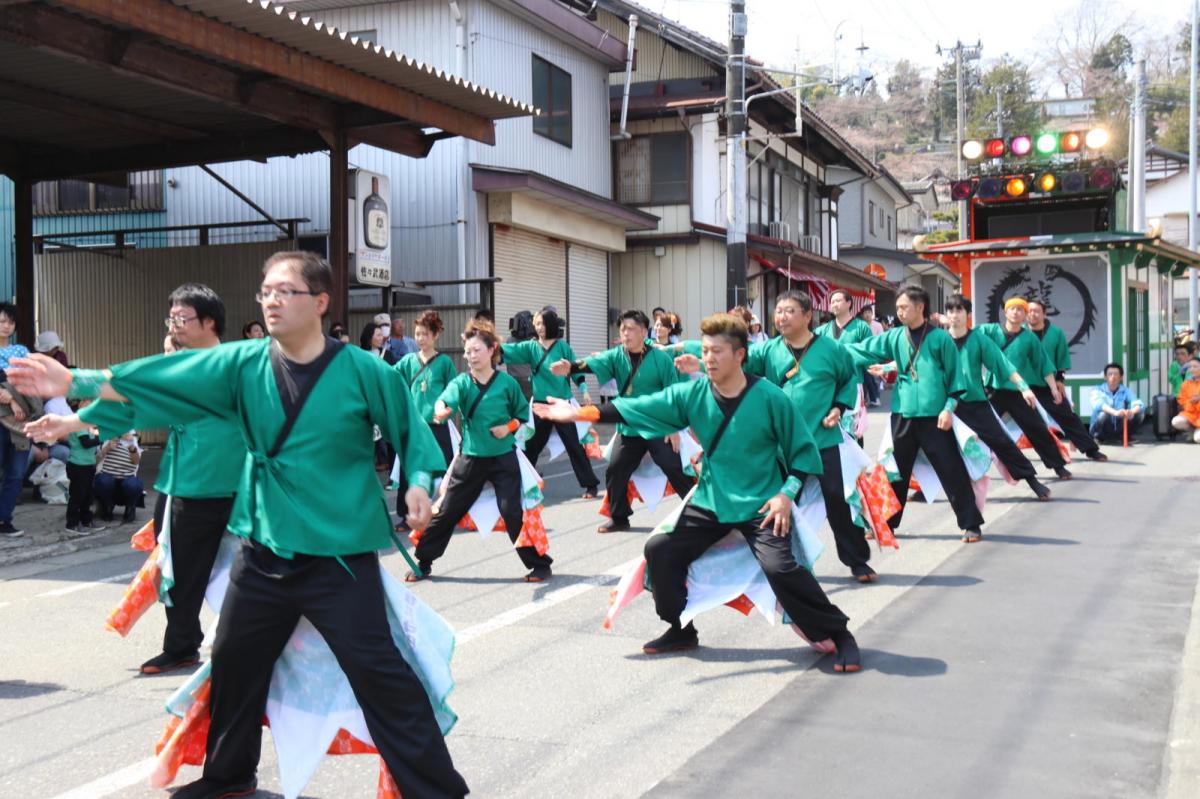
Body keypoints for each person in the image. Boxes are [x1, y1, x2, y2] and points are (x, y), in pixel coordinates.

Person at [12, 251, 465, 799]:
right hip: (264, 549)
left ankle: (437, 790)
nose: (271, 300)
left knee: (379, 674)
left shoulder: (364, 370)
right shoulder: (242, 363)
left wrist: (418, 482)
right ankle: (230, 775)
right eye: (265, 291)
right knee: (233, 660)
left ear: (320, 302)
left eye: (285, 291)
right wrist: (76, 383)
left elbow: (410, 431)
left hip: (338, 556)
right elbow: (166, 381)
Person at [535, 313, 861, 671]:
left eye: (717, 351)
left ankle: (840, 632)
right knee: (659, 550)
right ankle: (680, 628)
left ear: (740, 355)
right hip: (711, 501)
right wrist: (579, 413)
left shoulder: (770, 397)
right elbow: (638, 407)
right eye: (705, 351)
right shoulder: (694, 394)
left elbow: (803, 451)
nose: (709, 358)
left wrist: (786, 494)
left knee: (781, 568)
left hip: (760, 504)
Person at [81, 284, 250, 676]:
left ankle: (257, 643)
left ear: (209, 322)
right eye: (170, 318)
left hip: (242, 487)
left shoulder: (236, 366)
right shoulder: (175, 370)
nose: (174, 325)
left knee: (259, 570)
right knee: (181, 572)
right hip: (187, 485)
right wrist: (77, 420)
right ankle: (181, 647)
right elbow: (132, 400)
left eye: (182, 318)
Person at [675, 291, 875, 582]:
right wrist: (700, 361)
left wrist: (838, 407)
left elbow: (848, 380)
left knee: (838, 500)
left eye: (789, 311)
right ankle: (783, 564)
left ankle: (857, 560)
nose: (781, 316)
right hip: (782, 445)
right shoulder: (768, 350)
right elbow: (735, 359)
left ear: (807, 315)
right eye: (778, 311)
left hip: (822, 440)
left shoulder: (831, 349)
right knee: (775, 504)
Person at [408, 318, 553, 583]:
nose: (471, 356)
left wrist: (507, 427)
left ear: (492, 349)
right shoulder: (462, 382)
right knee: (448, 510)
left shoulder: (507, 383)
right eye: (467, 351)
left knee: (512, 512)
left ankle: (539, 564)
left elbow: (522, 415)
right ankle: (423, 561)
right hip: (470, 459)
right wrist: (442, 408)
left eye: (476, 350)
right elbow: (446, 398)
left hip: (503, 458)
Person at [846, 286, 986, 543]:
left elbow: (956, 379)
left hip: (936, 416)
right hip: (903, 414)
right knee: (895, 471)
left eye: (904, 307)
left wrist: (948, 409)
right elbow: (863, 350)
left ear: (920, 307)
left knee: (951, 469)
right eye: (898, 308)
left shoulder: (941, 339)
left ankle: (971, 524)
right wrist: (830, 351)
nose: (899, 312)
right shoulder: (894, 336)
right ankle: (886, 523)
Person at [551, 309, 692, 533]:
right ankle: (619, 518)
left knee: (675, 468)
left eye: (631, 329)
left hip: (657, 425)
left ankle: (698, 516)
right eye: (623, 329)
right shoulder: (617, 355)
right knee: (615, 470)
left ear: (644, 331)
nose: (625, 333)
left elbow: (673, 394)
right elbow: (592, 362)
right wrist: (571, 367)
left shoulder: (661, 359)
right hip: (629, 427)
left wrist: (674, 428)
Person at [940, 295, 1052, 501]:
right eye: (951, 311)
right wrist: (887, 367)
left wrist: (1024, 387)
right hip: (945, 406)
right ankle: (923, 489)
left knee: (1002, 441)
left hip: (974, 402)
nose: (954, 315)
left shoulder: (978, 339)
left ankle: (1032, 480)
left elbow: (1002, 364)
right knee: (932, 445)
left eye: (959, 310)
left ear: (968, 314)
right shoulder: (939, 340)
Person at [500, 309, 599, 498]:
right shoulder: (530, 347)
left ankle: (591, 485)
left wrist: (585, 390)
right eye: (536, 324)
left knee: (574, 446)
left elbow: (575, 370)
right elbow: (508, 351)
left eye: (542, 323)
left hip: (562, 406)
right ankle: (523, 483)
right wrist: (489, 345)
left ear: (551, 324)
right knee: (531, 446)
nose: (539, 327)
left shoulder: (563, 347)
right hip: (540, 406)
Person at [975, 297, 1072, 480]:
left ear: (1025, 315)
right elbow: (967, 335)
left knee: (1037, 428)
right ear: (1006, 312)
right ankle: (967, 473)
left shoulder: (1029, 338)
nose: (1016, 312)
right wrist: (949, 322)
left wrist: (1053, 388)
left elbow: (1043, 364)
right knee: (977, 430)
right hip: (992, 391)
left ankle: (1058, 466)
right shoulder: (990, 330)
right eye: (1012, 308)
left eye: (1021, 309)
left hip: (1017, 391)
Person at [393, 310, 458, 528]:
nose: (420, 338)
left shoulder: (445, 362)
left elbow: (454, 391)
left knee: (445, 469)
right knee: (408, 470)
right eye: (417, 334)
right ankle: (406, 515)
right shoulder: (407, 361)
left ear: (435, 335)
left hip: (438, 425)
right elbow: (391, 378)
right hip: (414, 426)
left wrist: (448, 410)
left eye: (425, 334)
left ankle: (446, 511)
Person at [1026, 299, 1107, 462]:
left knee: (1068, 416)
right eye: (1029, 311)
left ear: (1044, 314)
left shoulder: (1056, 333)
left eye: (1036, 311)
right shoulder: (1020, 333)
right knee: (1009, 419)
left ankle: (1090, 449)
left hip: (1048, 384)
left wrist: (1059, 380)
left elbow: (1062, 358)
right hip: (1024, 386)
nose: (1032, 314)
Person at [0, 303, 32, 537]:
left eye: (10, 322)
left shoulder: (21, 351)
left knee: (16, 472)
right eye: (2, 321)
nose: (6, 326)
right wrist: (10, 398)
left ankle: (4, 519)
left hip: (21, 421)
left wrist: (14, 396)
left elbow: (31, 380)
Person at [64, 402, 104, 535]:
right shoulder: (79, 422)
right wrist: (102, 437)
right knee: (77, 496)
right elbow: (86, 443)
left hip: (88, 464)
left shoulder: (88, 424)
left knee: (88, 496)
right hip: (78, 465)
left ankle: (86, 521)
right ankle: (72, 524)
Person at [93, 430, 144, 523]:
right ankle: (107, 506)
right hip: (108, 475)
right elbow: (95, 462)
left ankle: (130, 507)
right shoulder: (108, 440)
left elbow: (136, 461)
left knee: (134, 485)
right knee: (103, 481)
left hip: (127, 477)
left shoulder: (132, 442)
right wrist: (107, 448)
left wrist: (132, 449)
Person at [1088, 363, 1145, 443]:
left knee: (1139, 414)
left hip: (1118, 425)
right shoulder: (1097, 389)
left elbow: (1138, 403)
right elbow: (1099, 404)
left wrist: (1131, 412)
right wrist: (1116, 412)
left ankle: (1123, 436)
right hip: (1101, 426)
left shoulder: (1125, 390)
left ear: (1121, 377)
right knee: (1103, 415)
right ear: (1105, 377)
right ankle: (1099, 437)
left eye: (1116, 374)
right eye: (1110, 374)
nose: (1113, 377)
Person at [1172, 358, 1200, 442]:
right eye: (1190, 367)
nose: (1192, 369)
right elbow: (1182, 401)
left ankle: (1196, 432)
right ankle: (1192, 431)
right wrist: (1191, 402)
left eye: (1195, 366)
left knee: (1198, 439)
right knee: (1176, 421)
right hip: (1191, 414)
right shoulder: (1186, 383)